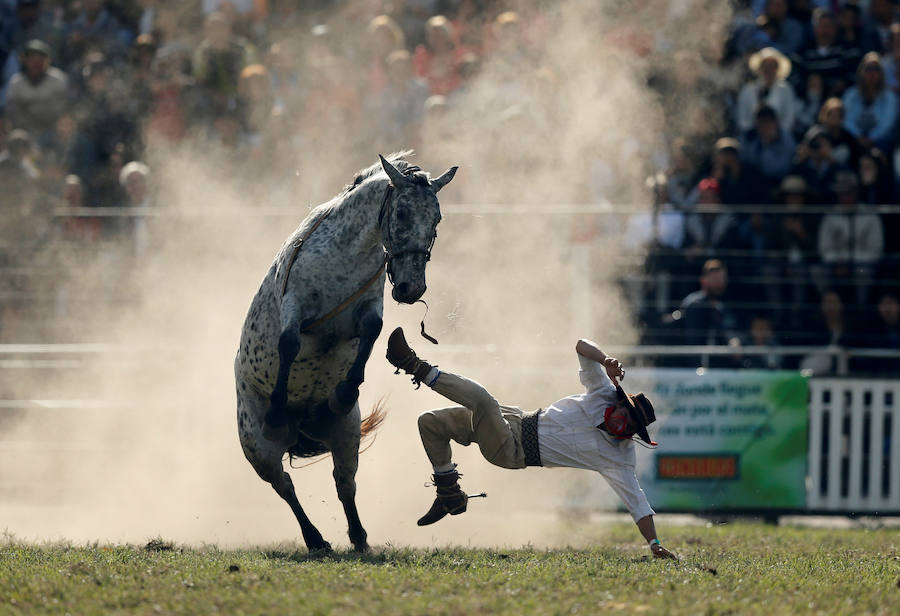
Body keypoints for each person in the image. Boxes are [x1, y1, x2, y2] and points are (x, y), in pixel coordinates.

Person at [384, 327, 678, 560]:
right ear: (620, 402)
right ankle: (448, 490)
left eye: (631, 425)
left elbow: (638, 503)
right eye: (626, 413)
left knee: (483, 400)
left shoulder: (619, 458)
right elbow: (581, 345)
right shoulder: (602, 392)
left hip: (513, 451)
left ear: (633, 434)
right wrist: (606, 360)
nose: (623, 421)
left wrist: (654, 543)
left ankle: (413, 364)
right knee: (430, 423)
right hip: (515, 418)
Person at [736, 46, 797, 135]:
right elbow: (742, 118)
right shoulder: (748, 90)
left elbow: (789, 118)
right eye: (765, 66)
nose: (768, 70)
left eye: (772, 66)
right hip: (752, 137)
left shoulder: (785, 90)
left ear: (777, 68)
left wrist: (774, 134)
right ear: (759, 68)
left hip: (779, 138)